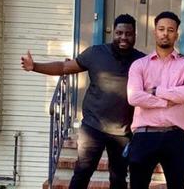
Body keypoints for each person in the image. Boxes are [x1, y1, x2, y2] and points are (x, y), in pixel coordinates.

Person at [21, 14, 145, 189]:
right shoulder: (96, 53)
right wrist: (35, 66)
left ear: (135, 35)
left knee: (118, 179)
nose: (123, 37)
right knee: (82, 173)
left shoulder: (142, 61)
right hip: (93, 127)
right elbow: (64, 67)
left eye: (128, 33)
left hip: (123, 131)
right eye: (119, 32)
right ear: (113, 33)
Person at [126, 11, 184, 189]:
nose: (165, 33)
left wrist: (156, 91)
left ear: (176, 34)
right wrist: (167, 101)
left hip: (174, 135)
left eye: (170, 30)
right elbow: (134, 96)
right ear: (155, 32)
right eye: (161, 29)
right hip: (144, 135)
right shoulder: (140, 65)